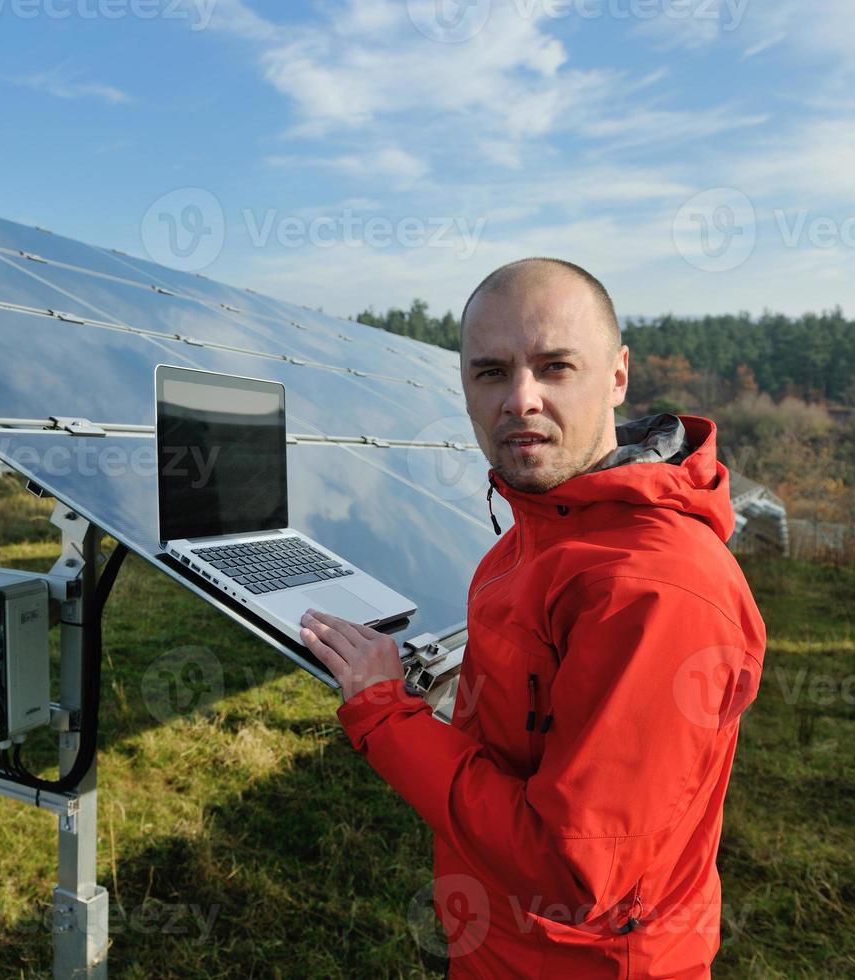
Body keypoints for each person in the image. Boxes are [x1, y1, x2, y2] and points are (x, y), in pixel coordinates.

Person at [301, 258, 766, 978]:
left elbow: (571, 873)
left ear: (617, 375)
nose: (521, 399)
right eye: (491, 372)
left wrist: (385, 716)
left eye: (554, 367)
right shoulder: (545, 526)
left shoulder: (652, 590)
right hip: (504, 945)